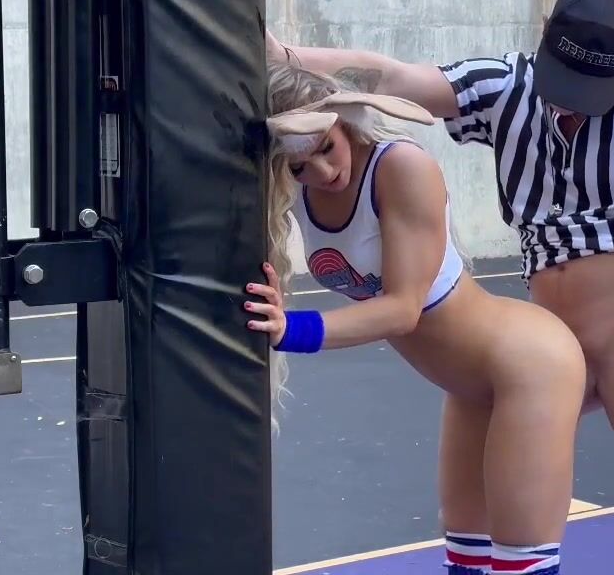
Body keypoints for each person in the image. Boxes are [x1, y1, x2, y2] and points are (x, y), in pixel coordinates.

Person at [266, 0, 614, 575]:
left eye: (589, 93)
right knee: (473, 537)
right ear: (543, 39)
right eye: (562, 85)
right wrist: (277, 54)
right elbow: (385, 77)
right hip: (541, 335)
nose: (568, 105)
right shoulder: (508, 85)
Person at [245, 61, 587, 575]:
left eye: (326, 148)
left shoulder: (400, 167)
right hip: (467, 384)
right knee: (465, 553)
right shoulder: (301, 192)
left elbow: (404, 309)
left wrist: (292, 329)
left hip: (530, 366)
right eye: (298, 167)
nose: (322, 172)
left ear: (345, 124)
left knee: (520, 560)